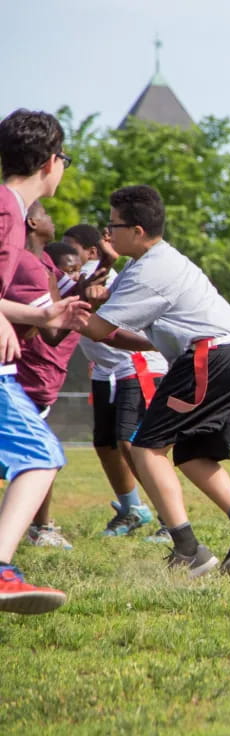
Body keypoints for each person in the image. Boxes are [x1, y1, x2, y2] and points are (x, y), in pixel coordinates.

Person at [83, 185, 230, 578]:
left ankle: (188, 549)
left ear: (137, 230)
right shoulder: (152, 262)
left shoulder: (148, 271)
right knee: (192, 453)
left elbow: (98, 328)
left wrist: (54, 312)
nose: (107, 232)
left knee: (145, 447)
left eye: (113, 225)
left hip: (209, 357)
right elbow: (128, 336)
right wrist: (99, 293)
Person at [0, 108, 90, 614]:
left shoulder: (11, 211)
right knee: (38, 452)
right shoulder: (6, 209)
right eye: (65, 160)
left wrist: (42, 314)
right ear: (51, 161)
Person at [63, 224, 168, 540]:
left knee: (129, 442)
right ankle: (132, 509)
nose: (66, 253)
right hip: (105, 370)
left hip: (134, 365)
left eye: (72, 247)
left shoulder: (100, 277)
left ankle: (169, 519)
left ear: (92, 252)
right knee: (105, 444)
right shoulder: (79, 277)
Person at [6, 206, 84, 550]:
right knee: (41, 453)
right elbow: (51, 332)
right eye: (48, 215)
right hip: (21, 375)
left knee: (38, 454)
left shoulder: (44, 265)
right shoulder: (26, 264)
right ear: (33, 222)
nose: (54, 221)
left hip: (35, 378)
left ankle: (38, 529)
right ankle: (38, 530)